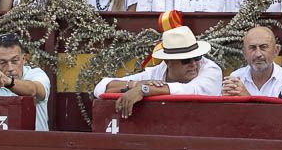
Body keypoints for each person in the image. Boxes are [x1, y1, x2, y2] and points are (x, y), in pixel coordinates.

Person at [94, 26, 223, 116]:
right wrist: (134, 85)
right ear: (168, 62)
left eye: (197, 57)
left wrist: (144, 90)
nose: (194, 64)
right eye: (186, 60)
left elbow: (192, 90)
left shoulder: (211, 69)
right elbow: (101, 87)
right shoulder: (158, 71)